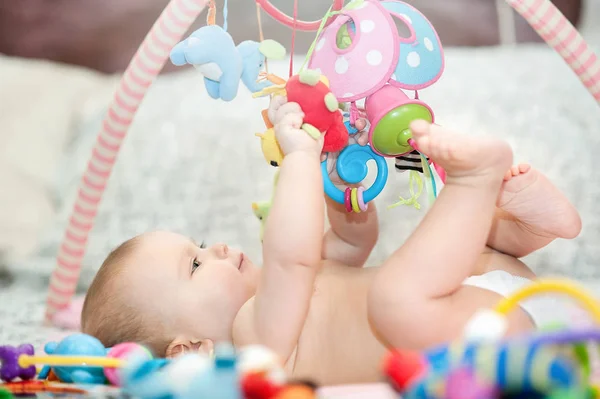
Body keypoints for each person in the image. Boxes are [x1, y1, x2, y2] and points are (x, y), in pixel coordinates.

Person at [81, 98, 581, 385]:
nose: (218, 250)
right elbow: (290, 256)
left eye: (200, 242)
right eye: (194, 265)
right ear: (188, 350)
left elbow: (348, 245)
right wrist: (299, 156)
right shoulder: (253, 343)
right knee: (393, 298)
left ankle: (528, 227)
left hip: (498, 297)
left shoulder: (279, 300)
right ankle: (477, 181)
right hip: (482, 343)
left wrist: (348, 210)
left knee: (456, 253)